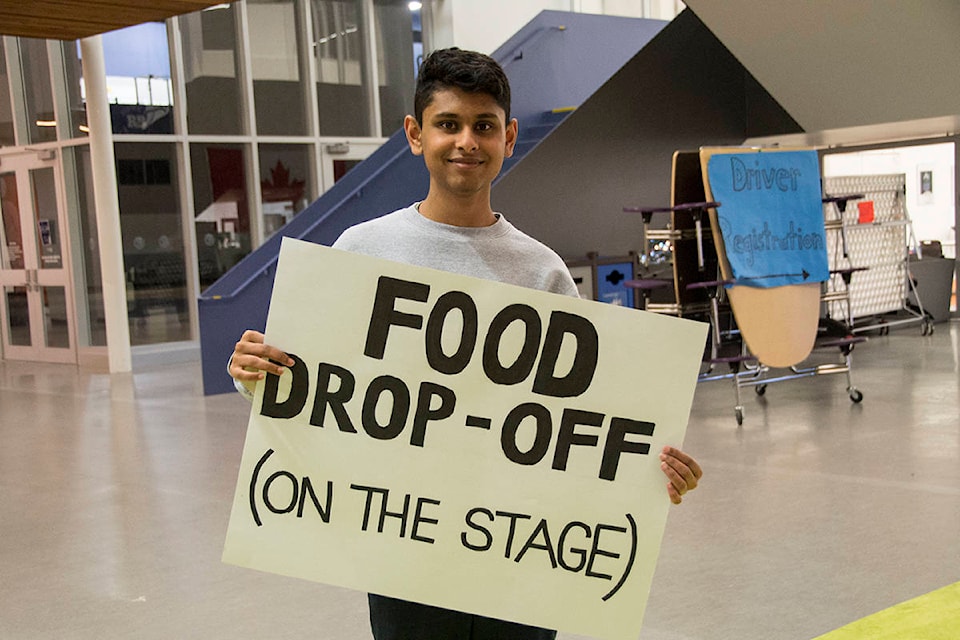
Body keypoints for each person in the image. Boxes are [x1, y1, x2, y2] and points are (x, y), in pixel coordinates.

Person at [229, 47, 703, 640]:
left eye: (483, 127)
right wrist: (255, 376)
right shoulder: (360, 252)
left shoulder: (544, 272)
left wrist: (651, 470)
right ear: (414, 134)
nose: (466, 142)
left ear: (507, 137)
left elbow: (587, 417)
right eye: (447, 124)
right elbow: (319, 395)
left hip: (521, 546)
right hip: (405, 545)